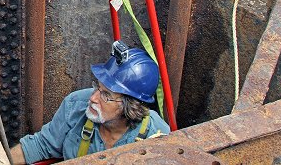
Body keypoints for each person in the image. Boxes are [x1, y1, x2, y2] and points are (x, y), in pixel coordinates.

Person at [11, 41, 170, 163]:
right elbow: (41, 145)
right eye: (97, 88)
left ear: (131, 106)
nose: (93, 98)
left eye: (106, 95)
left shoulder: (156, 133)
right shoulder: (75, 104)